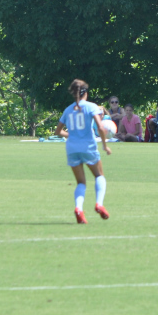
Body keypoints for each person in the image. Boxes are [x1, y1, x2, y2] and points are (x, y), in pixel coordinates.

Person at [54, 79, 111, 224]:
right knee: (99, 176)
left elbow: (58, 131)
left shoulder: (68, 110)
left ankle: (79, 208)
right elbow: (100, 128)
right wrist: (105, 145)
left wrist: (72, 135)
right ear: (85, 92)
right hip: (88, 147)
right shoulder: (91, 107)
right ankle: (99, 204)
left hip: (72, 148)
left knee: (81, 182)